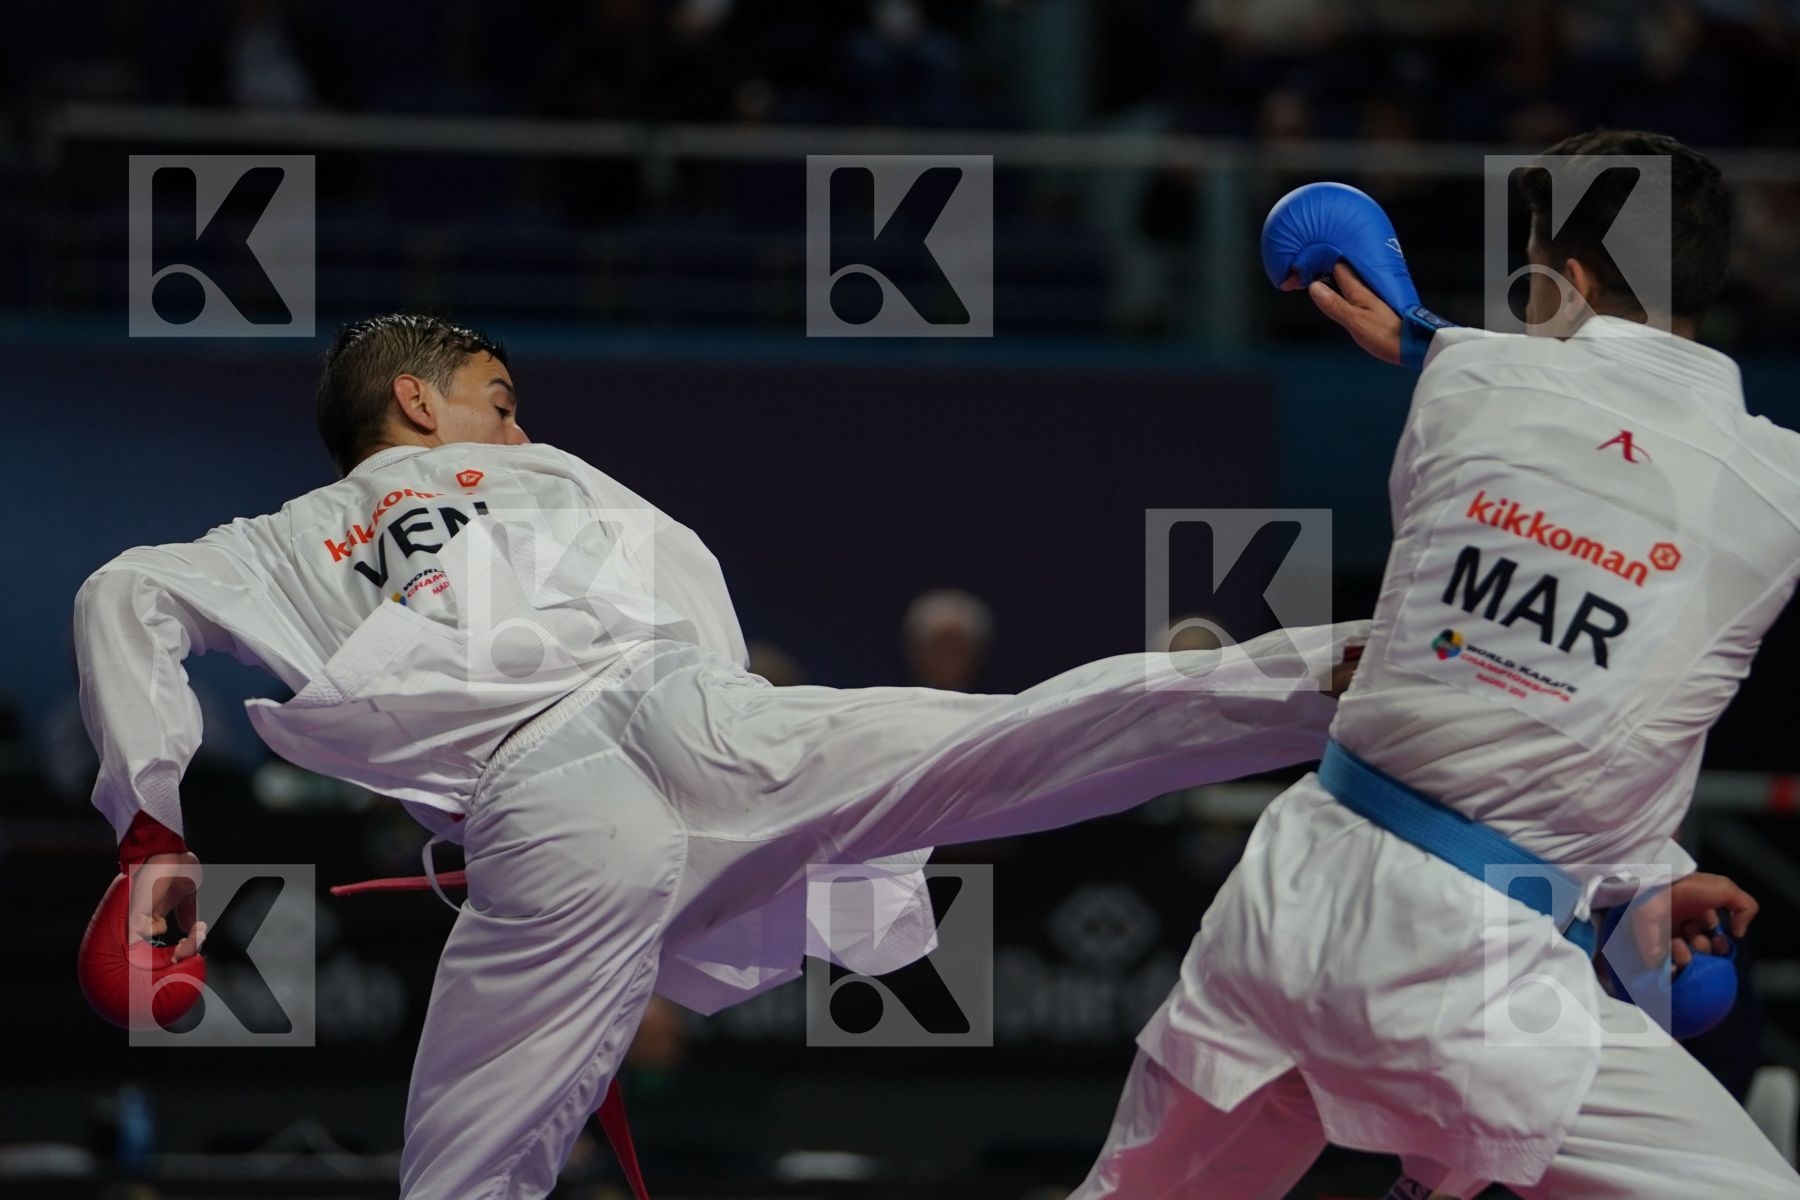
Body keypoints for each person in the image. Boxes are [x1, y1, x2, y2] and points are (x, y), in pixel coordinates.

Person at [74, 312, 1366, 1199]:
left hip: (550, 804)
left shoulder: (285, 543)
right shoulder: (551, 478)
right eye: (497, 398)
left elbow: (119, 595)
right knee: (1017, 739)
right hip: (699, 725)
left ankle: (1332, 670)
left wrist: (152, 832)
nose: (515, 429)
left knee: (462, 1176)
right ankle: (1344, 668)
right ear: (418, 397)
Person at [1074, 129, 1800, 1198]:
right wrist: (1643, 883)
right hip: (1478, 957)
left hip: (1289, 902)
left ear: (1572, 275)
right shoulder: (1780, 491)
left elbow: (1492, 685)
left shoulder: (1463, 377)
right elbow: (1602, 712)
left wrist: (1431, 340)